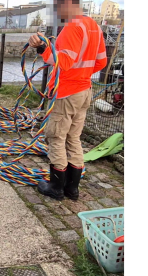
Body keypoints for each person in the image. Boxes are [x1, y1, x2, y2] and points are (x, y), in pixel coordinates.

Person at [28, 0, 107, 201]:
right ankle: (72, 189)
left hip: (66, 93)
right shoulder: (93, 26)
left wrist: (43, 49)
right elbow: (101, 62)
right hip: (84, 90)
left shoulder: (72, 27)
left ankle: (56, 187)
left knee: (56, 137)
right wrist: (83, 75)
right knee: (73, 138)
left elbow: (63, 61)